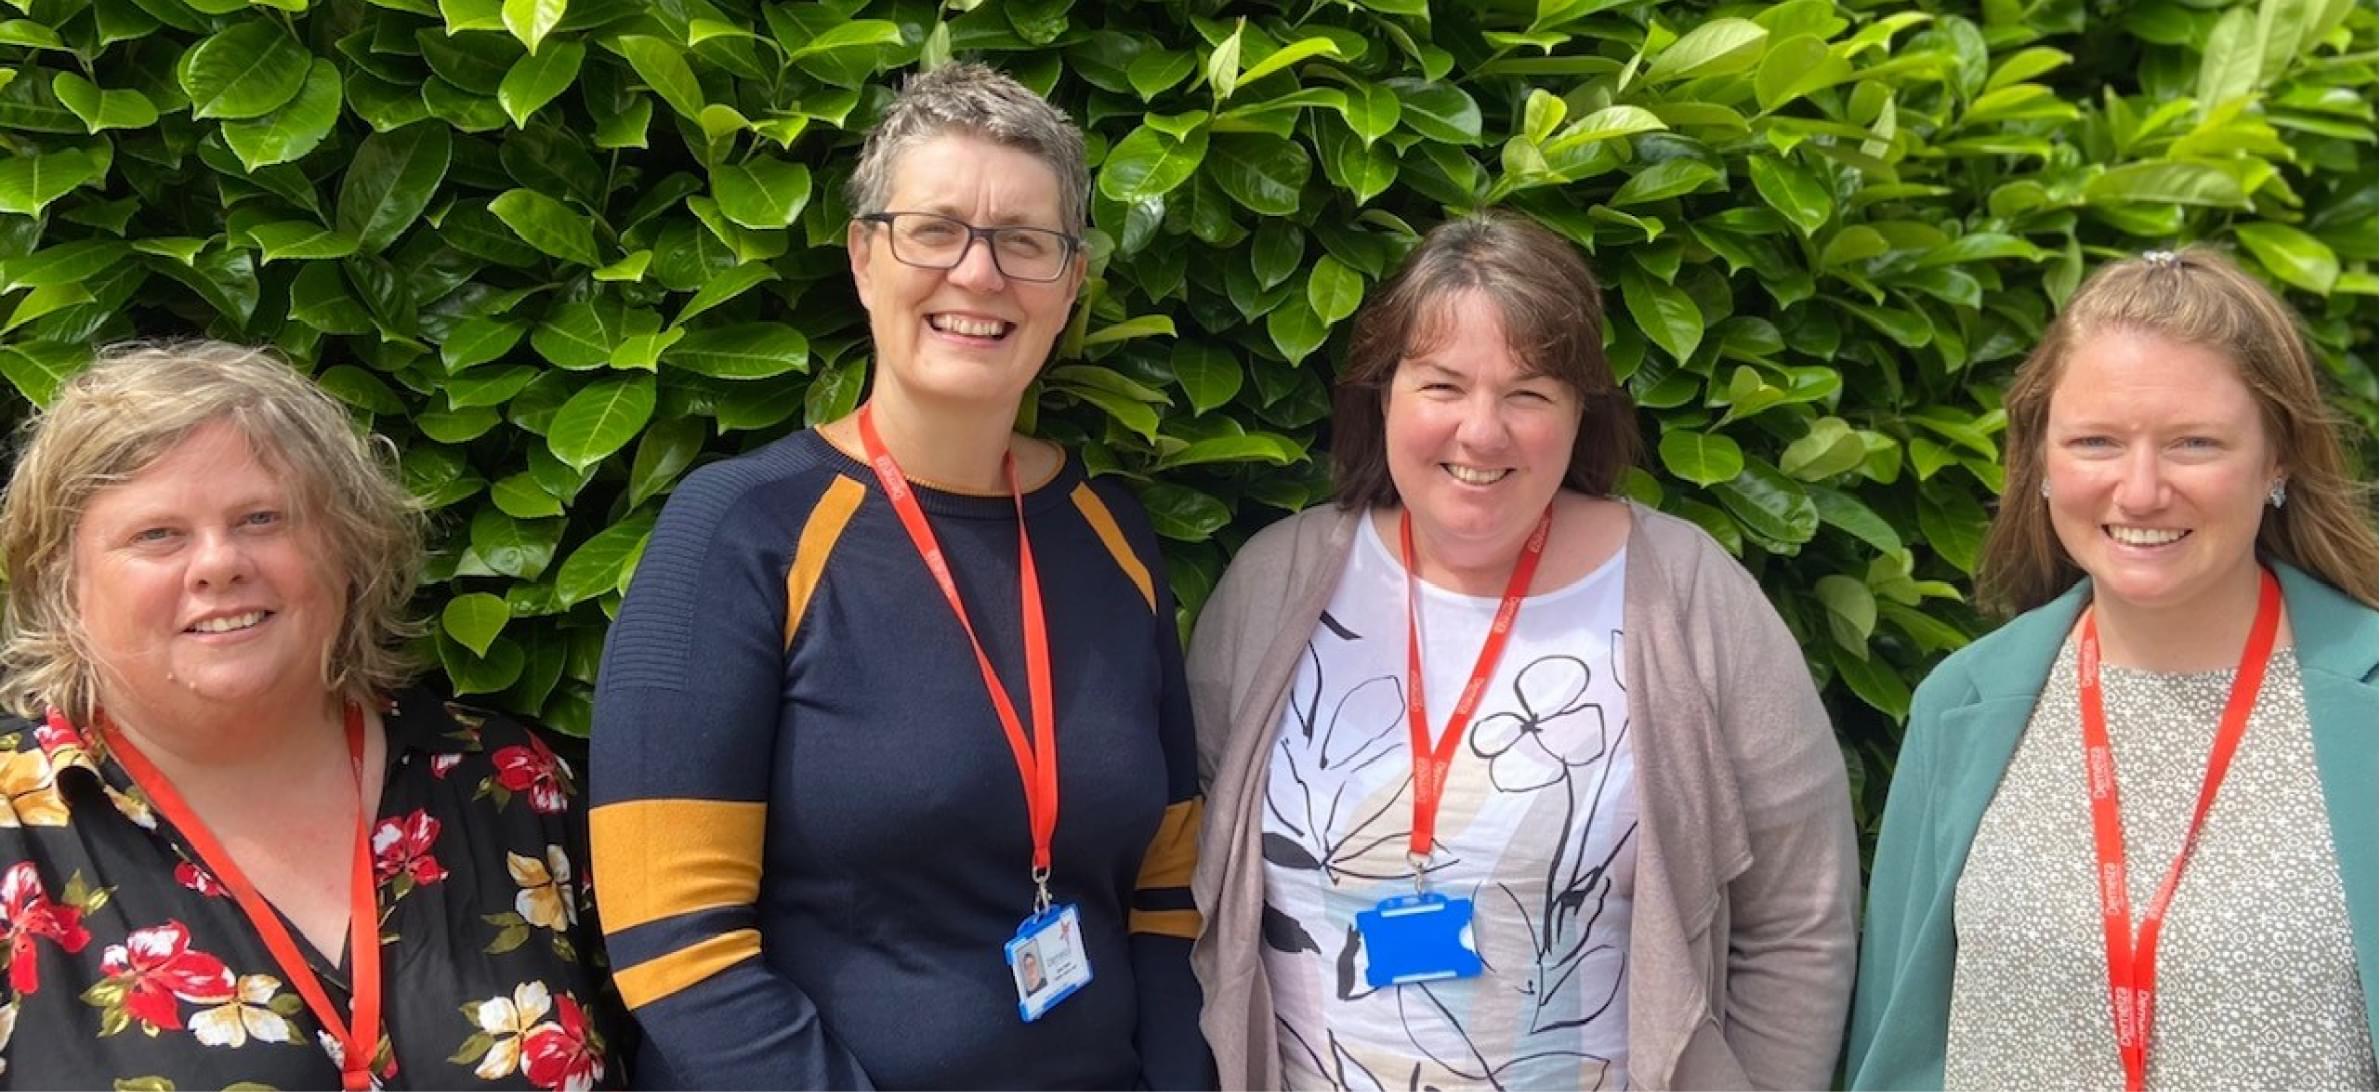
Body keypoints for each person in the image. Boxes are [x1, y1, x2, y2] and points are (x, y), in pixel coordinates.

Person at [589, 62, 1209, 1089]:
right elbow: (675, 946)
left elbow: (1163, 893)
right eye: (935, 230)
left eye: (1024, 241)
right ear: (864, 256)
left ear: (1070, 285)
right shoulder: (741, 530)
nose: (978, 273)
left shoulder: (1111, 532)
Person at [1186, 212, 1859, 1090]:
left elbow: (1799, 916)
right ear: (1381, 393)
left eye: (1529, 393)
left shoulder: (1685, 593)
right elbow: (1184, 874)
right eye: (1442, 386)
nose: (1481, 432)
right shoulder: (1274, 585)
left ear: (1582, 412)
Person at [0, 341, 621, 1088]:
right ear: (63, 584)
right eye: (156, 534)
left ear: (348, 550)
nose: (218, 563)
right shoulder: (16, 830)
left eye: (263, 518)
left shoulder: (510, 786)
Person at [1847, 247, 2380, 1089]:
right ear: (2043, 463)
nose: (2139, 491)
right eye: (2096, 441)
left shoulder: (2367, 706)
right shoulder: (1962, 705)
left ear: (2278, 459)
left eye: (2193, 443)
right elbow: (1893, 1036)